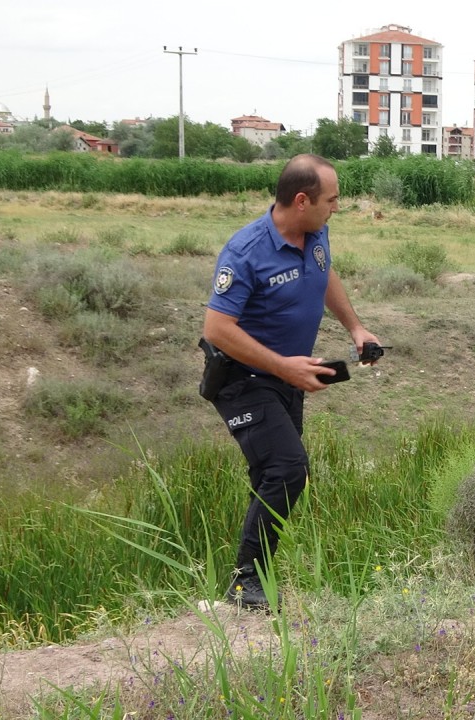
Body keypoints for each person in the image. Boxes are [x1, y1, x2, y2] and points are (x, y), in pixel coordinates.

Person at [201, 153, 379, 610]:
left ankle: (253, 582)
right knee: (287, 469)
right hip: (243, 379)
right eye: (331, 200)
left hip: (286, 379)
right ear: (302, 200)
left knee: (272, 475)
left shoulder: (315, 233)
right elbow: (217, 329)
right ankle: (245, 584)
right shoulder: (245, 252)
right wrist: (284, 367)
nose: (336, 207)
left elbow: (323, 272)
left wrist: (356, 328)